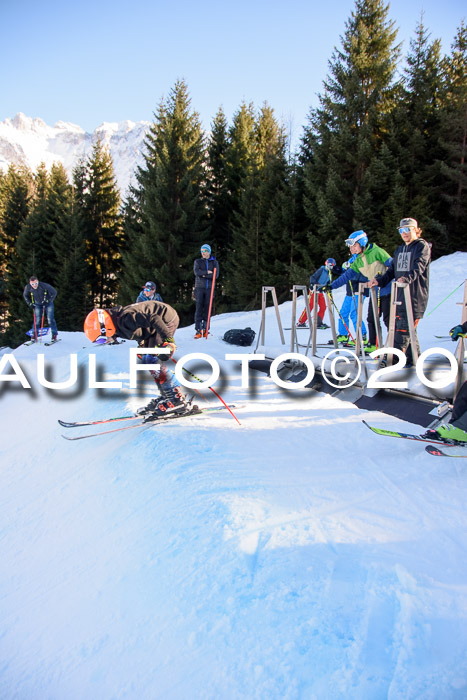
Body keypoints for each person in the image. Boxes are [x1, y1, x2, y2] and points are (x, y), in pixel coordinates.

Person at [83, 301, 190, 419]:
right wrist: (142, 344)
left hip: (166, 319)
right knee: (147, 359)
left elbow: (154, 318)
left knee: (151, 360)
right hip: (154, 325)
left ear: (106, 328)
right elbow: (140, 330)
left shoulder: (125, 320)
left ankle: (176, 399)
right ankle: (167, 395)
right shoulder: (117, 325)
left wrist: (168, 341)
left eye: (102, 340)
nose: (105, 342)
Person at [368, 218, 431, 366]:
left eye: (408, 229)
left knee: (403, 328)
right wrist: (380, 281)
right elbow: (392, 271)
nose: (404, 233)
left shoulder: (421, 247)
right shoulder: (400, 249)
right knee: (408, 328)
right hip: (399, 295)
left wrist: (406, 278)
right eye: (401, 230)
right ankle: (414, 359)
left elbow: (419, 266)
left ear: (416, 230)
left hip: (414, 296)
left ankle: (392, 359)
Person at [319, 231, 392, 352]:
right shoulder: (358, 260)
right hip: (375, 292)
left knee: (388, 320)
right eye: (350, 247)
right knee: (371, 319)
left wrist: (386, 279)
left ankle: (397, 348)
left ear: (362, 243)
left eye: (354, 246)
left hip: (388, 290)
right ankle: (374, 345)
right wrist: (331, 286)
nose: (351, 249)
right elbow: (346, 276)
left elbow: (392, 265)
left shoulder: (376, 251)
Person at [297, 258, 342, 328]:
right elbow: (313, 277)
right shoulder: (322, 270)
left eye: (332, 266)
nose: (330, 267)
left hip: (320, 291)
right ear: (326, 264)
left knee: (323, 306)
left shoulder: (330, 274)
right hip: (314, 290)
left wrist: (329, 293)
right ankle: (301, 322)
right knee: (311, 305)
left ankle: (318, 322)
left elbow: (328, 284)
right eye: (329, 265)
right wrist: (312, 284)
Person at [336, 254, 368, 344]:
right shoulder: (352, 258)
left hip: (359, 290)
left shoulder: (364, 257)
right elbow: (345, 272)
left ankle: (362, 336)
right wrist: (337, 269)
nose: (351, 248)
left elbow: (364, 273)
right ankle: (343, 335)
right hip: (350, 291)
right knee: (343, 313)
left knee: (355, 314)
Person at [194, 244, 219, 339]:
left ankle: (206, 329)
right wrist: (207, 272)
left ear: (209, 251)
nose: (203, 253)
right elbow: (197, 273)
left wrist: (204, 274)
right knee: (199, 308)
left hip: (210, 288)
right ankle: (198, 329)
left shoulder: (214, 262)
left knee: (208, 308)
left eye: (205, 251)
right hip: (199, 288)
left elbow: (215, 275)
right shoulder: (198, 261)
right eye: (202, 251)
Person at [23, 275, 58, 342]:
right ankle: (34, 335)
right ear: (30, 283)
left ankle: (54, 335)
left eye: (36, 283)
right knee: (37, 320)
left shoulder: (44, 285)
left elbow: (54, 292)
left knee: (50, 319)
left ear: (38, 282)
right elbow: (25, 295)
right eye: (32, 284)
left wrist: (49, 300)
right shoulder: (28, 287)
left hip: (48, 304)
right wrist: (30, 303)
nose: (34, 285)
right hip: (37, 304)